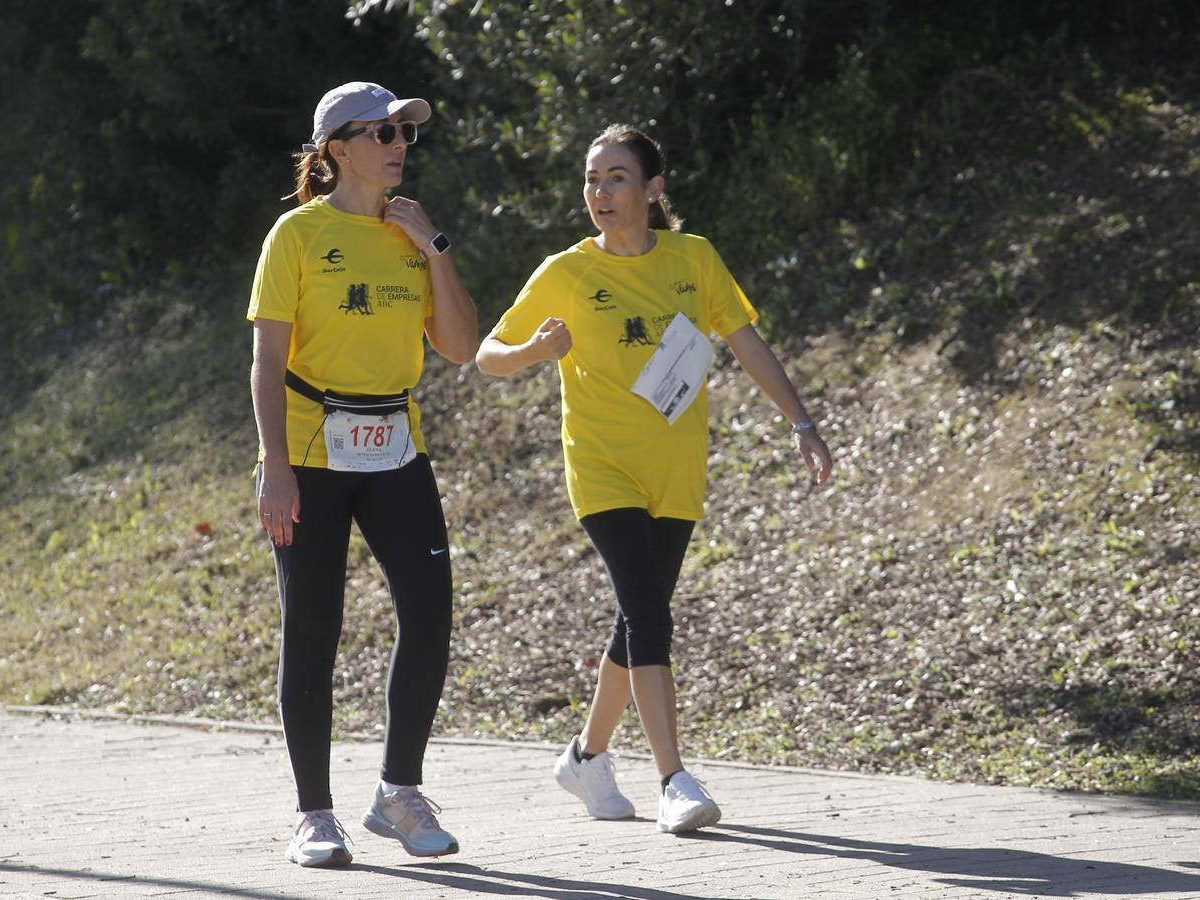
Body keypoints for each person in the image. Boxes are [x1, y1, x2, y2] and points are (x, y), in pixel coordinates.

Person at [475, 124, 833, 834]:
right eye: (591, 179)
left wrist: (801, 423)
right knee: (647, 613)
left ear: (652, 189)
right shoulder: (567, 271)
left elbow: (745, 341)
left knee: (637, 617)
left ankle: (585, 757)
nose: (599, 193)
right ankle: (674, 778)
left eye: (615, 178)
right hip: (602, 464)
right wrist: (535, 350)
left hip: (675, 469)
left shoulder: (692, 260)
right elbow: (488, 354)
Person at [247, 81, 478, 867]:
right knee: (313, 629)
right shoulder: (297, 235)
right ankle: (315, 814)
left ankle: (398, 793)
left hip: (395, 447)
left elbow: (460, 346)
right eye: (379, 133)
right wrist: (275, 469)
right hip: (311, 453)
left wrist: (435, 248)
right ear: (337, 150)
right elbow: (266, 360)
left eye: (404, 132)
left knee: (431, 612)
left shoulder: (413, 234)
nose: (397, 144)